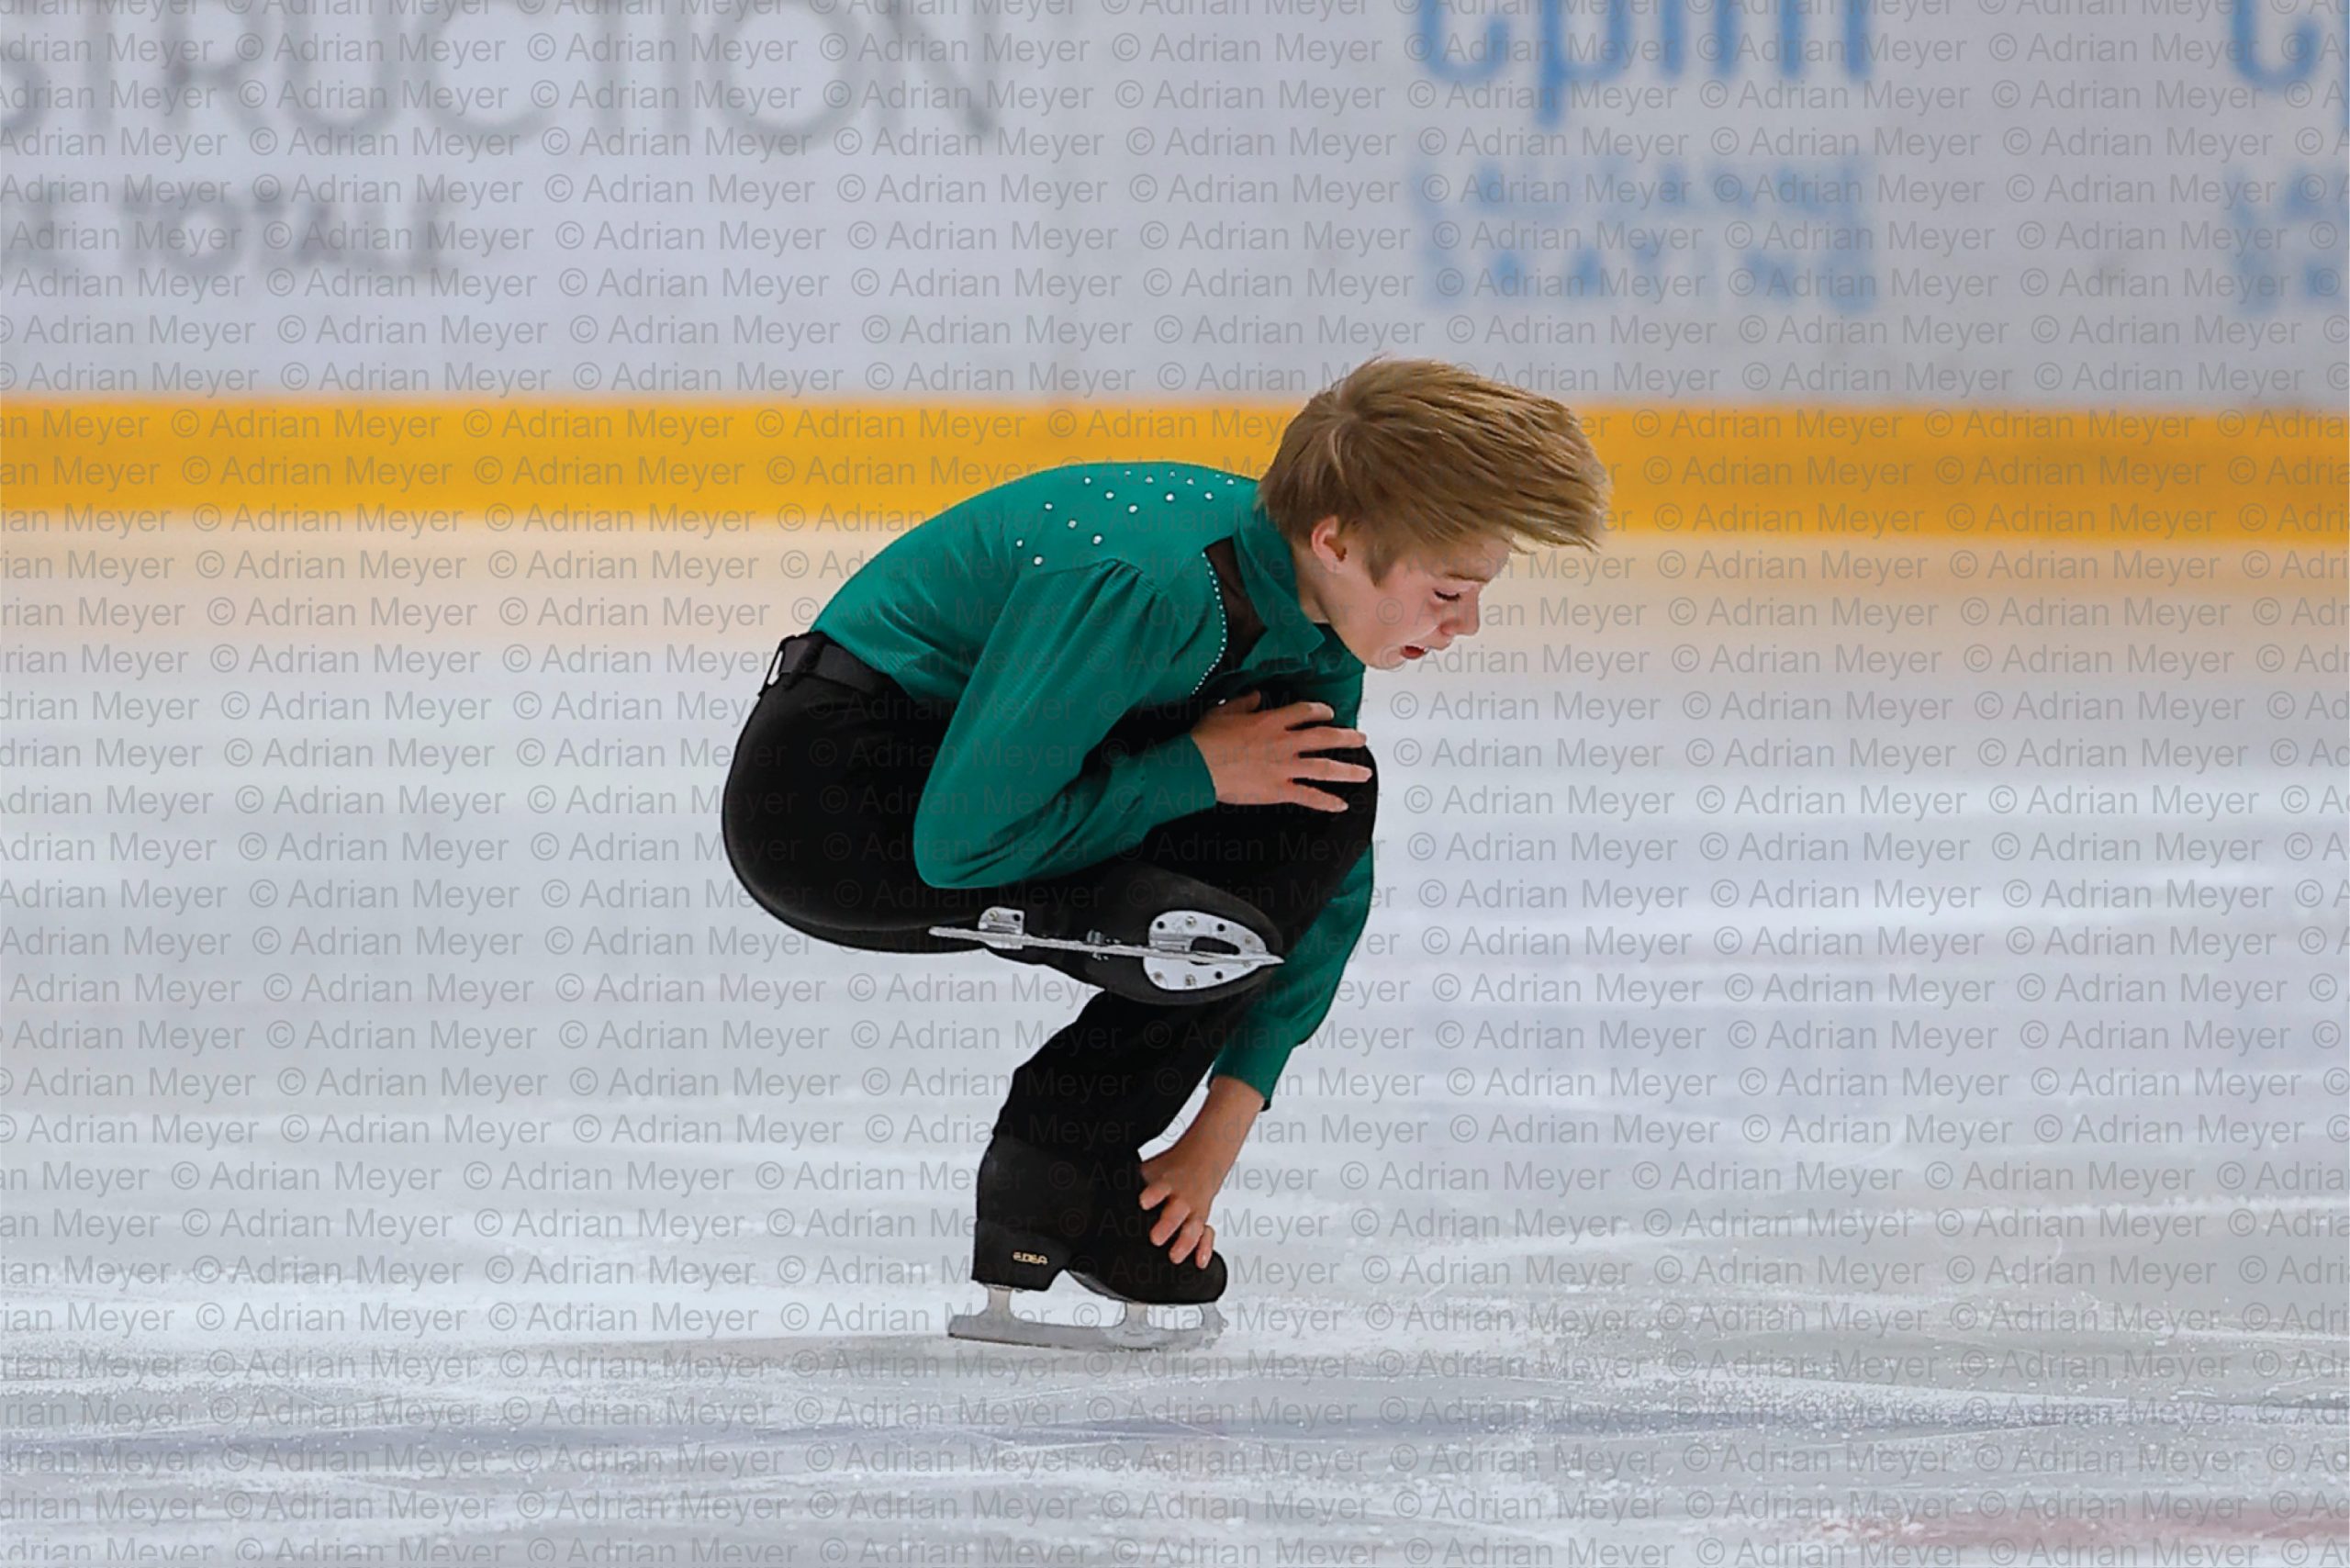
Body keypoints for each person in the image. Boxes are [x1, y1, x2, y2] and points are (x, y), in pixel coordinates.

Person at [722, 356, 1609, 1329]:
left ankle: (1064, 1167)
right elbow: (961, 845)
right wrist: (1194, 770)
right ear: (1337, 541)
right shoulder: (1148, 584)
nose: (1467, 625)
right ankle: (1057, 1161)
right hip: (834, 811)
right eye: (1448, 592)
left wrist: (1216, 1134)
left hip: (980, 798)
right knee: (1202, 919)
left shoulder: (1311, 624)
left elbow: (1324, 885)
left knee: (1318, 805)